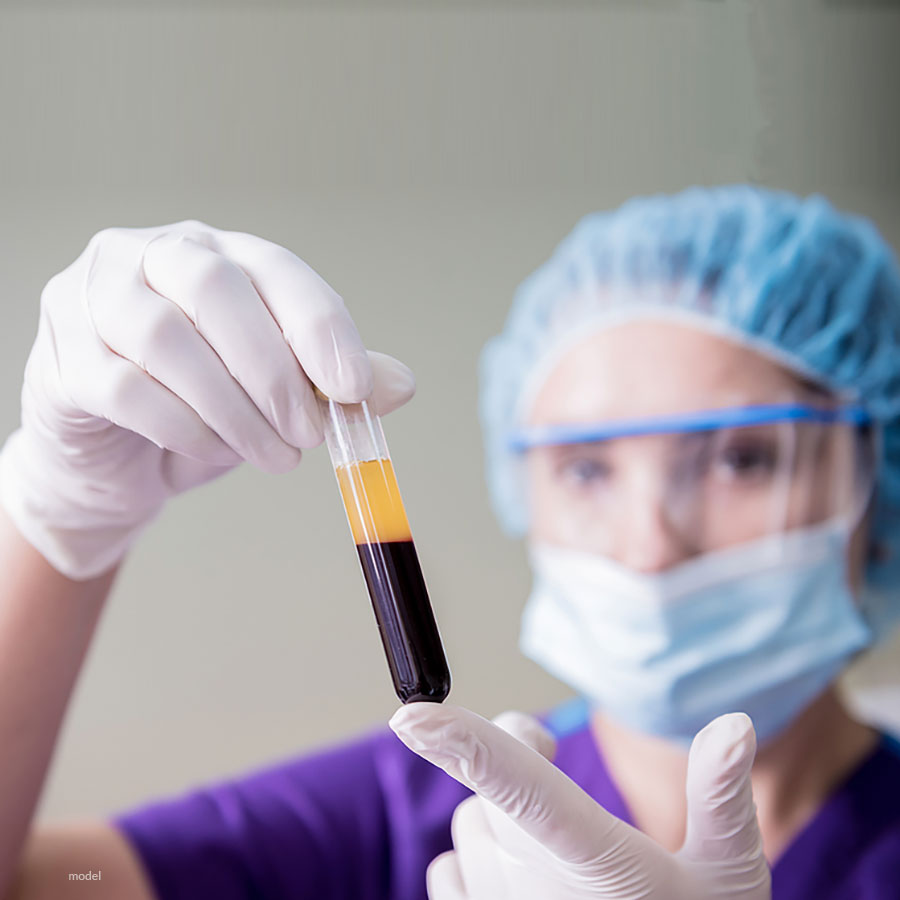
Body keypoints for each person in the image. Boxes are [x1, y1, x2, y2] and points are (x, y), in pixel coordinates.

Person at [1, 187, 899, 900]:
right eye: (587, 468)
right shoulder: (408, 814)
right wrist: (55, 521)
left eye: (741, 458)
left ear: (878, 478)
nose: (650, 544)